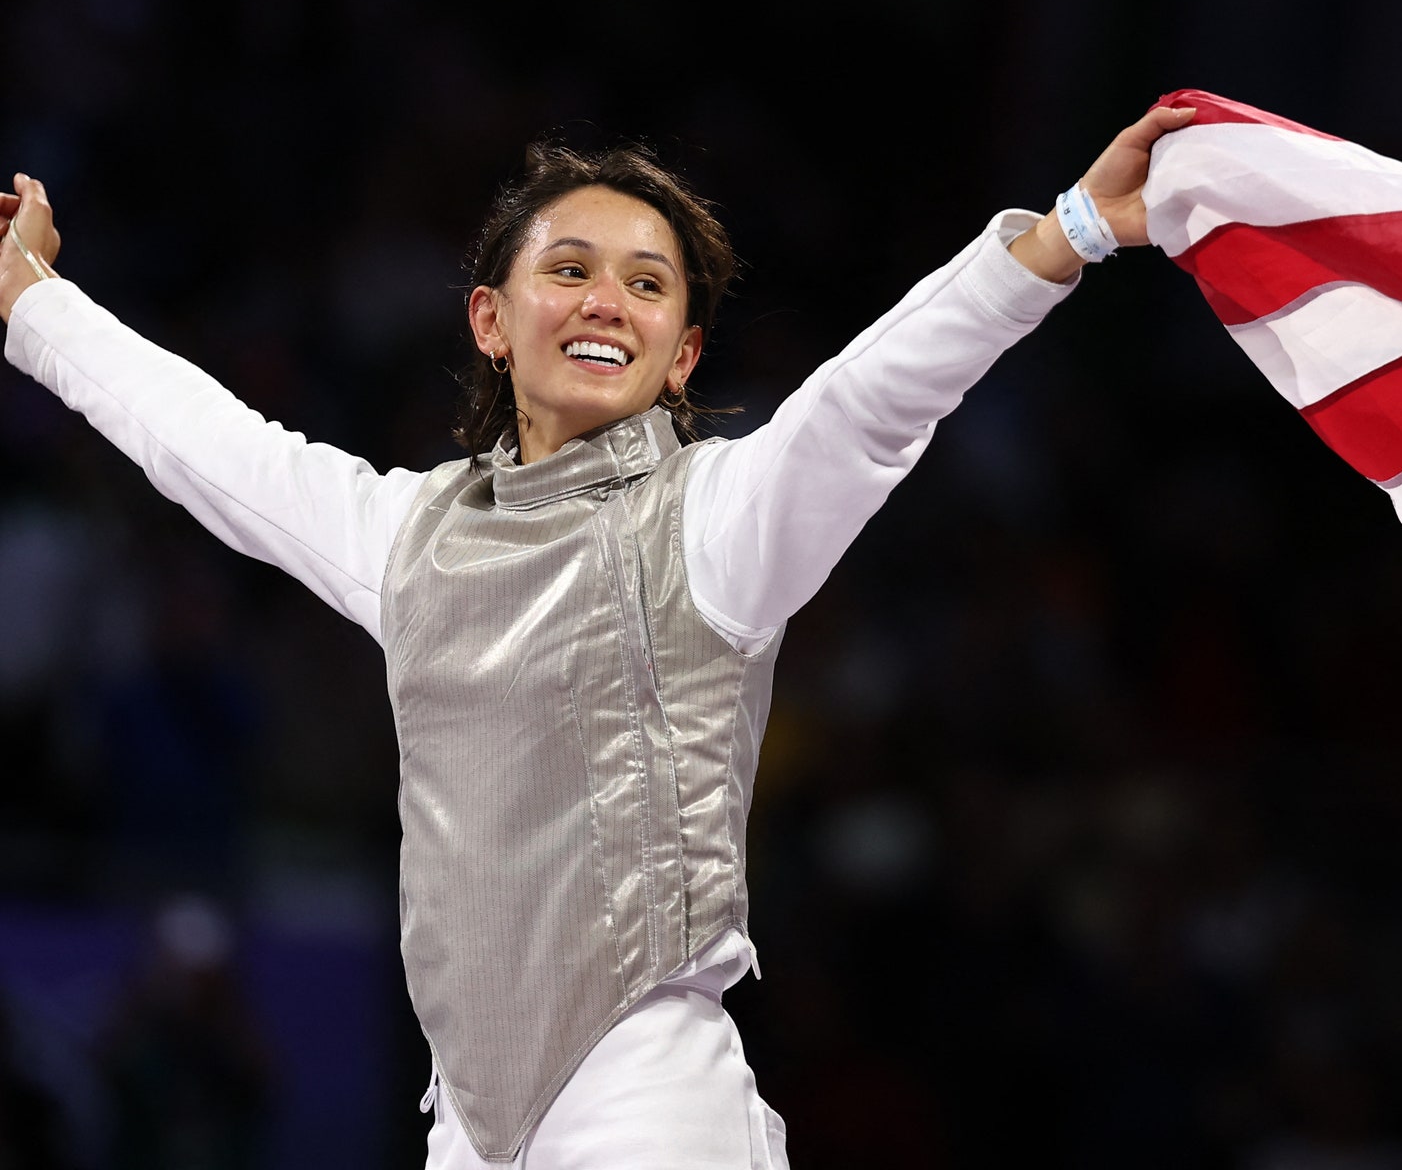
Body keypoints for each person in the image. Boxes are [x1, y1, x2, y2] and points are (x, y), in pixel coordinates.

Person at [0, 102, 1195, 1169]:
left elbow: (870, 403)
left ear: (680, 357)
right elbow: (217, 448)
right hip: (466, 1122)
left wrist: (1065, 236)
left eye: (645, 283)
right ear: (489, 319)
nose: (603, 301)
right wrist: (34, 307)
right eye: (568, 268)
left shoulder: (718, 521)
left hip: (648, 1103)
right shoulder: (409, 533)